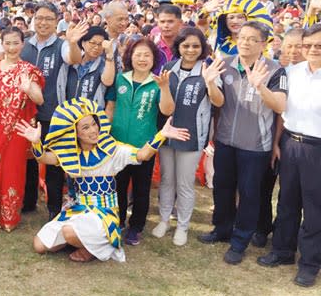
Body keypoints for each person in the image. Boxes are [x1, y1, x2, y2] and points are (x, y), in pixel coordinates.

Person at [15, 98, 190, 262]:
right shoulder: (71, 154)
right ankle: (83, 240)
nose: (93, 130)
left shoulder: (112, 150)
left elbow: (142, 155)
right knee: (39, 245)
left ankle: (94, 246)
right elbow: (44, 159)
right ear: (74, 133)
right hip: (79, 210)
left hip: (104, 214)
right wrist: (36, 142)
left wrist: (162, 134)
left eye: (93, 124)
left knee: (68, 233)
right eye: (85, 128)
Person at [198, 21, 288, 265]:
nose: (245, 42)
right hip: (226, 140)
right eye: (242, 37)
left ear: (263, 43)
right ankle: (222, 228)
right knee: (222, 186)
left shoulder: (275, 69)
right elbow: (218, 102)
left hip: (256, 146)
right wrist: (209, 82)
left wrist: (259, 86)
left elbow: (279, 106)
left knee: (249, 194)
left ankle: (240, 241)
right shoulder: (224, 64)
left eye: (252, 39)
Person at [256, 24, 321, 287]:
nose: (313, 50)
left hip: (317, 148)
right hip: (291, 142)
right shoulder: (290, 72)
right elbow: (282, 110)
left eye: (319, 46)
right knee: (286, 201)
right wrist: (276, 143)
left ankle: (309, 263)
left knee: (315, 208)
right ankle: (282, 251)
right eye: (308, 46)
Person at [152, 27, 225, 246]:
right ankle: (164, 220)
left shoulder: (207, 68)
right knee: (166, 180)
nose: (191, 50)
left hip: (192, 135)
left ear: (202, 47)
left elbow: (219, 102)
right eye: (186, 45)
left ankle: (182, 225)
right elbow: (164, 107)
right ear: (178, 47)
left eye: (195, 45)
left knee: (184, 183)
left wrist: (210, 82)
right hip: (167, 133)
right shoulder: (168, 68)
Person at [20, 2, 88, 219]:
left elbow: (75, 59)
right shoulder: (25, 45)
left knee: (54, 164)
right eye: (39, 17)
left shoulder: (62, 45)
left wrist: (73, 42)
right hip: (27, 115)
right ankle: (28, 202)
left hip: (54, 114)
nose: (43, 22)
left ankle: (53, 209)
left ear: (56, 21)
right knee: (28, 159)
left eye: (49, 18)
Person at [110, 37, 175, 246]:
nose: (142, 58)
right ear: (130, 57)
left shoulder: (157, 82)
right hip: (117, 144)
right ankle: (117, 221)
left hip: (144, 146)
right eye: (138, 54)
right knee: (117, 186)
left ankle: (136, 227)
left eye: (147, 55)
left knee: (141, 189)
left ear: (154, 58)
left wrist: (164, 88)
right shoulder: (120, 79)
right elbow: (110, 108)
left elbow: (167, 110)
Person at [0, 27, 44, 232]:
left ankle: (9, 216)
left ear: (22, 44)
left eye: (15, 43)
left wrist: (28, 89)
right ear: (2, 43)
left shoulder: (28, 70)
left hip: (17, 129)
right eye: (7, 43)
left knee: (13, 170)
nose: (11, 47)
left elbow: (39, 99)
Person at [56, 26, 116, 117]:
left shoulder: (104, 64)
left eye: (100, 44)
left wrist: (109, 54)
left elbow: (108, 81)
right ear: (83, 43)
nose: (96, 47)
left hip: (90, 118)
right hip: (67, 115)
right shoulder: (72, 60)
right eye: (93, 43)